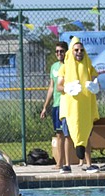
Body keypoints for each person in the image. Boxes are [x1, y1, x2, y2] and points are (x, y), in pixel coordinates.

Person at [58, 37, 100, 173]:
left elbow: (95, 80)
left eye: (81, 50)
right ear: (72, 51)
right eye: (76, 50)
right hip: (70, 108)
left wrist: (95, 85)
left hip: (85, 107)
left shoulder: (89, 66)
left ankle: (89, 164)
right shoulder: (64, 67)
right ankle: (67, 164)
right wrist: (66, 88)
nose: (79, 52)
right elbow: (58, 86)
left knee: (86, 134)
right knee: (68, 135)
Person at [40, 42, 68, 171]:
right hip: (57, 104)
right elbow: (51, 87)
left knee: (70, 134)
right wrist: (45, 106)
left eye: (61, 51)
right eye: (57, 51)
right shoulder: (54, 67)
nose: (59, 54)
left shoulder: (70, 66)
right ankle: (60, 162)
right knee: (59, 133)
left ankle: (78, 162)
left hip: (68, 104)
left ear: (66, 52)